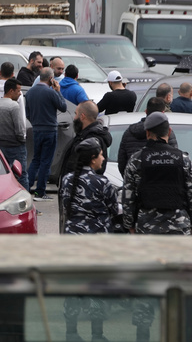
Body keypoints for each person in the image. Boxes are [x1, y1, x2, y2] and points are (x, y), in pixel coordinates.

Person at [58, 138, 119, 342]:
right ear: (93, 159)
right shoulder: (102, 183)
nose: (102, 158)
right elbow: (113, 209)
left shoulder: (67, 180)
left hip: (73, 238)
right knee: (97, 287)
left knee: (73, 287)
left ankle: (71, 333)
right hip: (97, 241)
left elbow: (65, 206)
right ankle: (97, 334)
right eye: (101, 154)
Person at [122, 111, 192, 236]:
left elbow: (128, 197)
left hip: (147, 228)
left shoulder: (136, 160)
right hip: (179, 227)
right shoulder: (183, 159)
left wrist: (130, 225)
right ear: (169, 132)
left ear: (147, 133)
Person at [26, 67, 68, 200]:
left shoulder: (30, 92)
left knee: (36, 159)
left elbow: (27, 112)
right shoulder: (51, 92)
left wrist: (35, 122)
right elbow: (63, 107)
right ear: (51, 78)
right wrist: (58, 91)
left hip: (37, 128)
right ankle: (40, 191)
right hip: (50, 129)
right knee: (46, 161)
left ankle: (27, 187)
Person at [117, 98, 180, 174]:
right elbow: (175, 159)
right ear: (163, 113)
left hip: (138, 180)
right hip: (164, 178)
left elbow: (122, 161)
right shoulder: (167, 132)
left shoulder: (129, 132)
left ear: (146, 111)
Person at [0, 78, 28, 190]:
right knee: (22, 175)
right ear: (11, 91)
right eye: (18, 90)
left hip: (0, 145)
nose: (20, 93)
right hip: (15, 146)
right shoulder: (14, 106)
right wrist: (22, 140)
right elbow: (19, 129)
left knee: (3, 175)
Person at [60, 100, 113, 178]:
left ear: (82, 116)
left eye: (76, 114)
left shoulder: (92, 140)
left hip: (79, 186)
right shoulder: (83, 135)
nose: (74, 118)